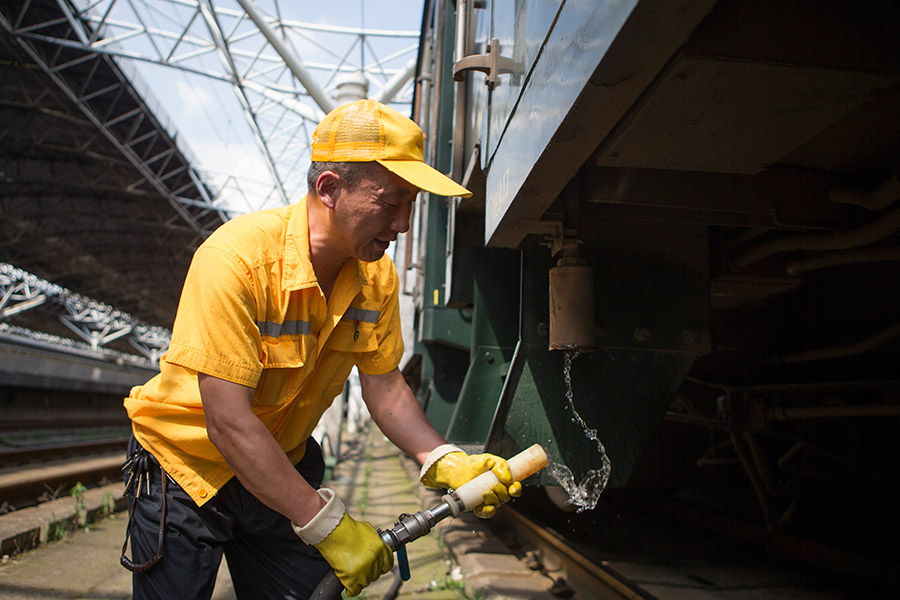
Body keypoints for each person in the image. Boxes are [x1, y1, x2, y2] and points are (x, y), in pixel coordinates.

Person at [120, 99, 522, 600]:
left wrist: (441, 457)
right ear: (329, 188)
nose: (402, 223)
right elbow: (228, 422)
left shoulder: (376, 276)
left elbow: (384, 385)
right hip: (185, 468)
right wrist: (325, 523)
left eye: (411, 204)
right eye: (390, 201)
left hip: (276, 466)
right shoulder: (235, 259)